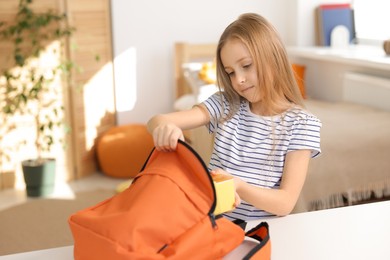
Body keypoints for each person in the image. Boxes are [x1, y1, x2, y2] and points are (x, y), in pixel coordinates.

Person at [147, 13, 321, 221]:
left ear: (273, 58)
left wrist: (238, 185)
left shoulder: (302, 124)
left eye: (246, 66)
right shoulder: (225, 105)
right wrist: (166, 128)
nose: (238, 80)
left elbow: (285, 203)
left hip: (260, 233)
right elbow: (156, 120)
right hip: (213, 227)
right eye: (230, 72)